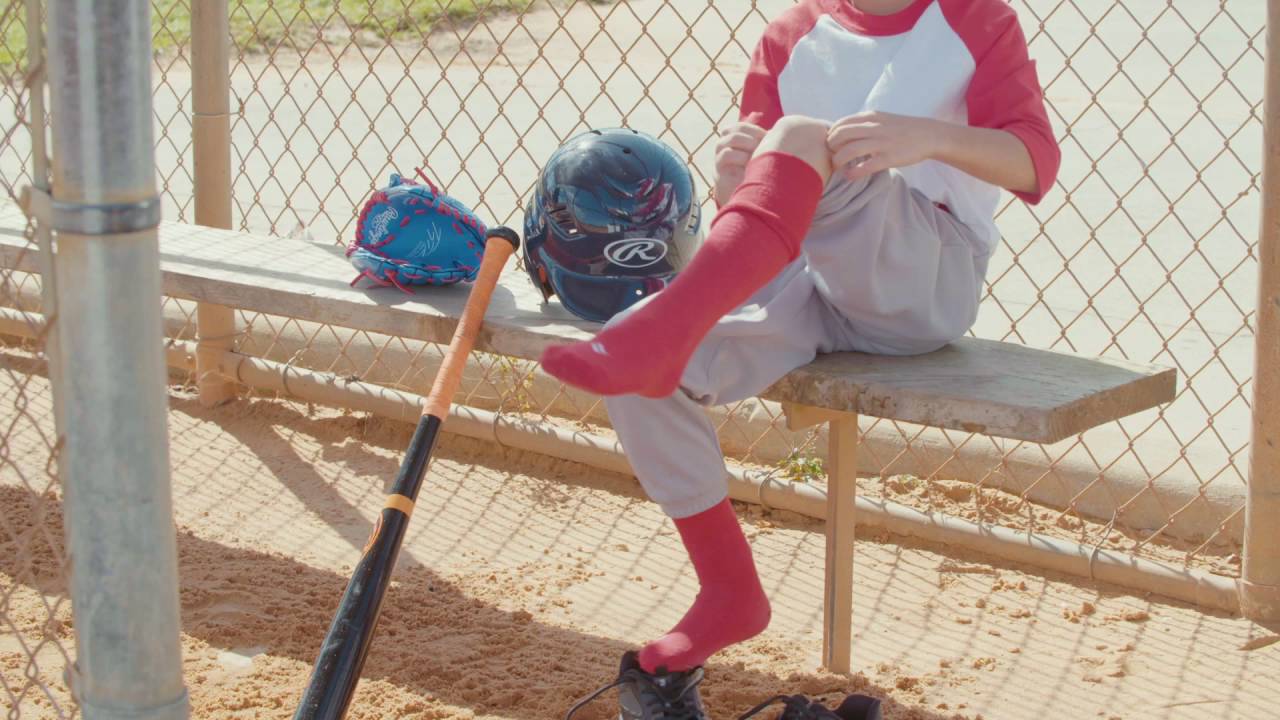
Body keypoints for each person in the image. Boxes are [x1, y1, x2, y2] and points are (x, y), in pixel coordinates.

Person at [556, 1, 1061, 717]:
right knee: (646, 377)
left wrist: (927, 138)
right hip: (807, 280)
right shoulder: (791, 35)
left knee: (797, 140)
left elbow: (1035, 163)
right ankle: (729, 590)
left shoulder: (973, 19)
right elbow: (754, 205)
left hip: (920, 276)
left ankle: (672, 322)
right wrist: (735, 176)